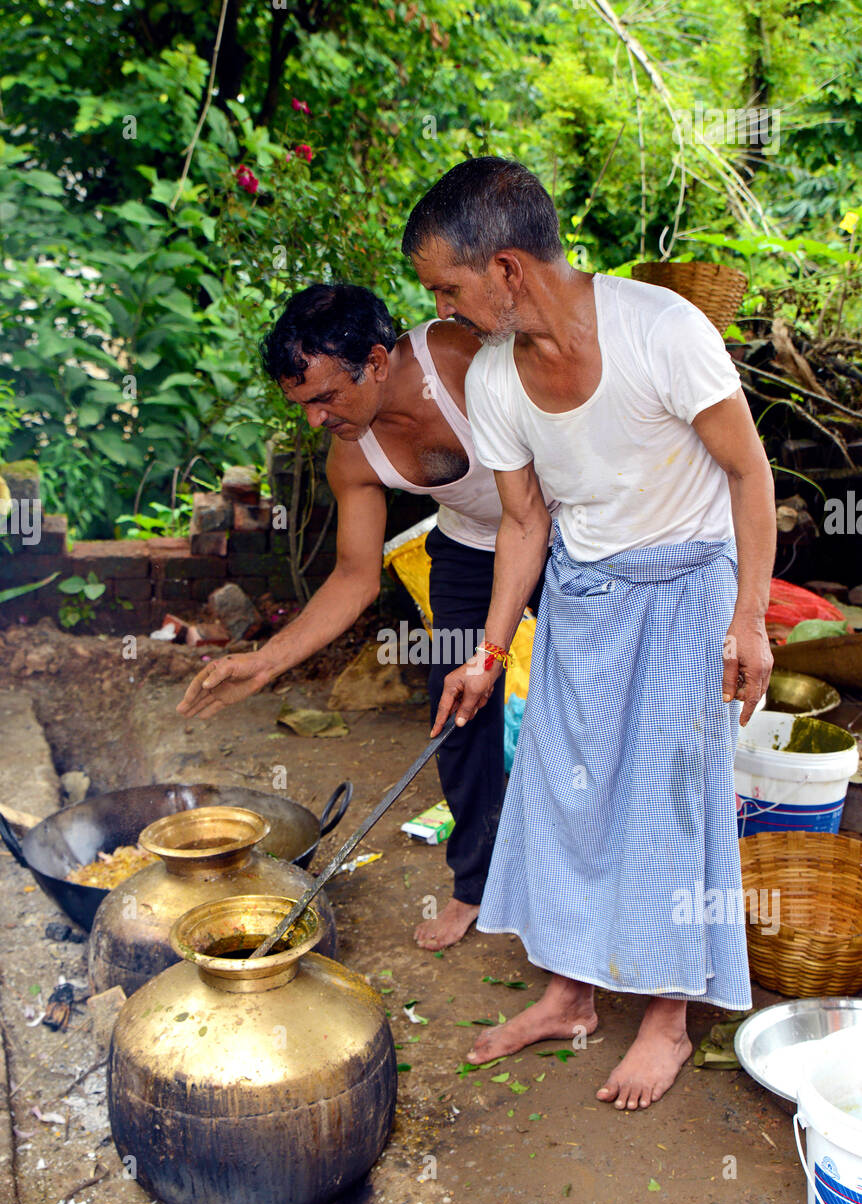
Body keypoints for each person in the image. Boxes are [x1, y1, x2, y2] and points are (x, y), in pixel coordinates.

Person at [403, 157, 775, 1110]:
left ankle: (665, 1019)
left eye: (448, 287)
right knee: (564, 795)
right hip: (584, 592)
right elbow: (525, 524)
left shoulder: (663, 331)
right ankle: (570, 995)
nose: (441, 311)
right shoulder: (493, 379)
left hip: (691, 583)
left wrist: (750, 621)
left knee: (666, 800)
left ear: (510, 270)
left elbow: (749, 476)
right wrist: (486, 654)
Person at [177, 282, 546, 950]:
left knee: (582, 708)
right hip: (469, 549)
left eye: (324, 397)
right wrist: (263, 664)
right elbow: (354, 577)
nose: (316, 420)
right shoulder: (352, 453)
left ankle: (573, 886)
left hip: (566, 532)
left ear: (377, 362)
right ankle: (475, 887)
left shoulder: (462, 358)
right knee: (456, 714)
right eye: (303, 405)